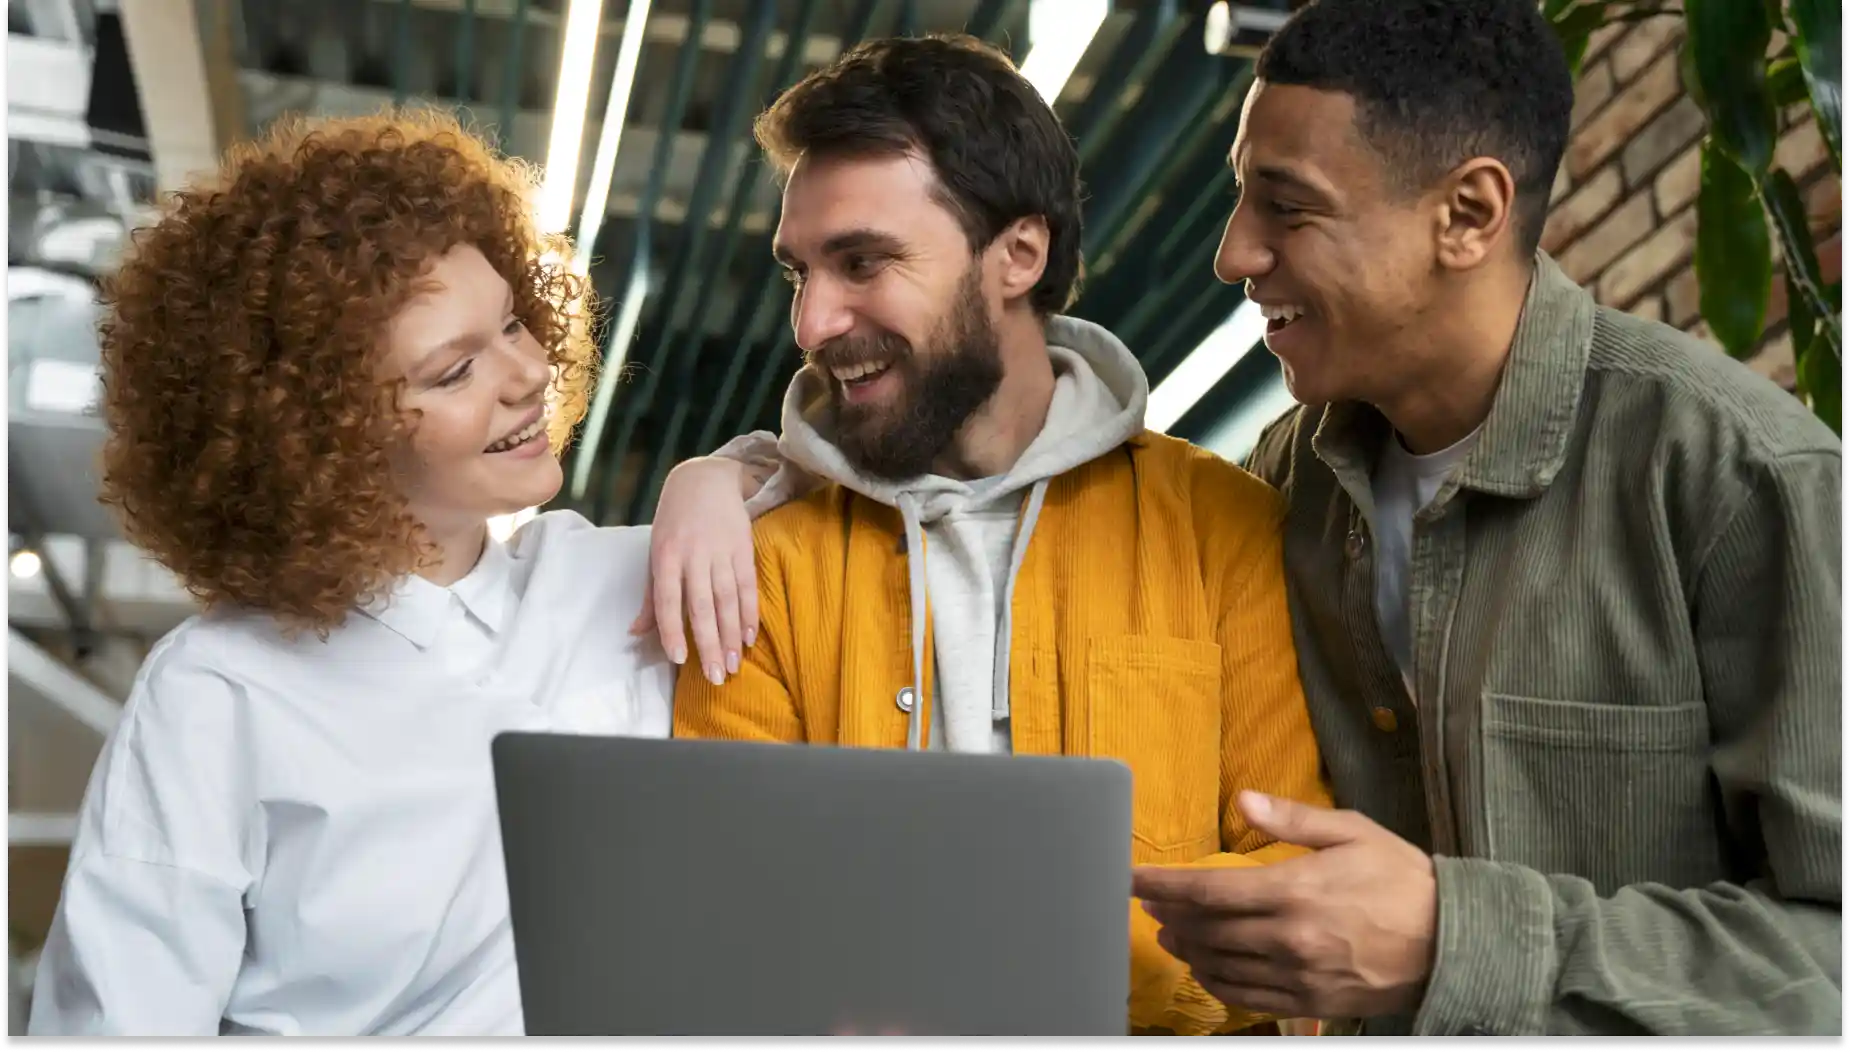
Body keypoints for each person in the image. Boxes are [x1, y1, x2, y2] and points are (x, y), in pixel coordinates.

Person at [1129, 0, 1843, 1037]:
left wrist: (1451, 942)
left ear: (1466, 213)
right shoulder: (1278, 489)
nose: (1232, 253)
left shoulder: (1741, 478)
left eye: (1284, 206)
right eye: (1242, 196)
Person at [27, 110, 765, 1036]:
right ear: (322, 442)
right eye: (453, 372)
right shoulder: (219, 692)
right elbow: (116, 1016)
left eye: (512, 324)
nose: (526, 373)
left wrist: (724, 472)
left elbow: (875, 482)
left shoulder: (626, 576)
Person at [669, 34, 1330, 1038]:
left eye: (861, 261)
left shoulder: (1220, 526)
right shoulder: (762, 564)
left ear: (1016, 255)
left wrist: (987, 955)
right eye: (798, 271)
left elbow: (1293, 895)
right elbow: (722, 905)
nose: (810, 320)